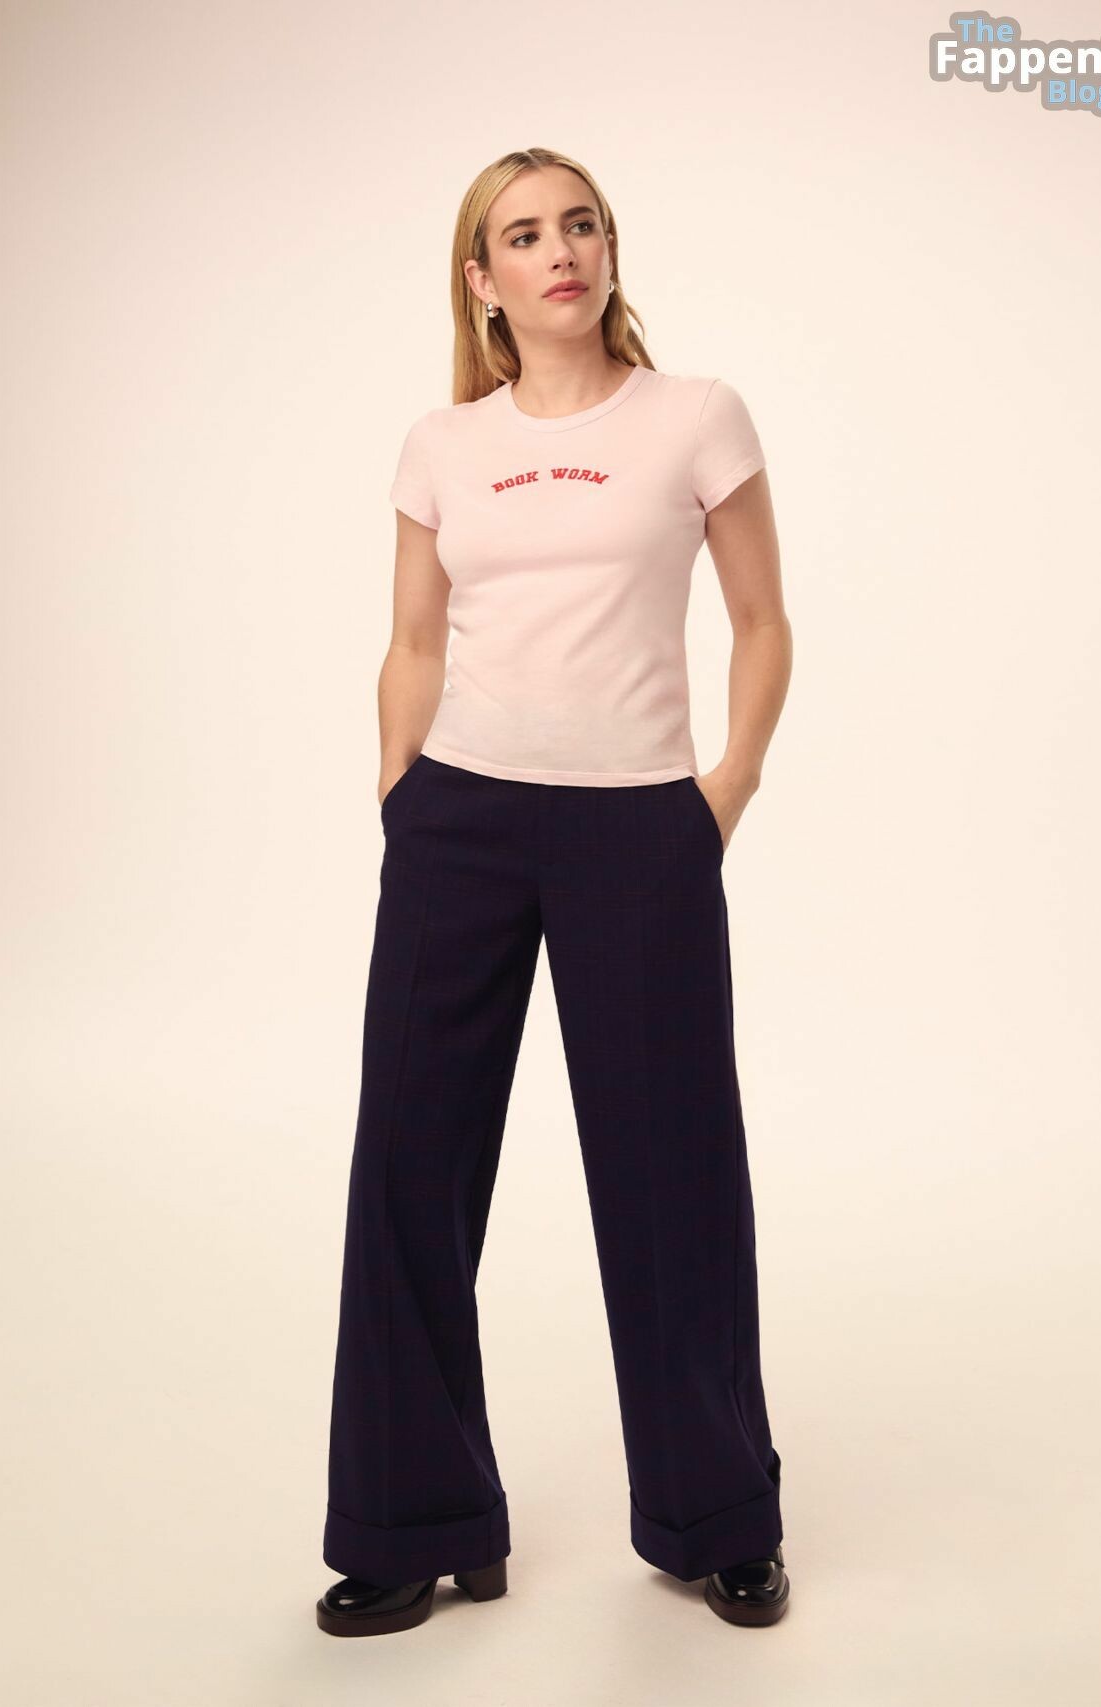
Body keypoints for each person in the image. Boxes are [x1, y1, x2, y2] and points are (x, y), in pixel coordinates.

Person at [317, 146, 793, 1638]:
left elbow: (764, 622)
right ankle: (413, 1522)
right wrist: (401, 794)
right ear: (485, 281)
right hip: (456, 826)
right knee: (410, 1169)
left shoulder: (694, 417)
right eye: (524, 235)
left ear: (608, 249)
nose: (560, 250)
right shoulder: (441, 445)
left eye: (580, 224)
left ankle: (718, 1515)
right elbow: (413, 638)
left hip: (640, 830)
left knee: (673, 1175)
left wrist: (723, 791)